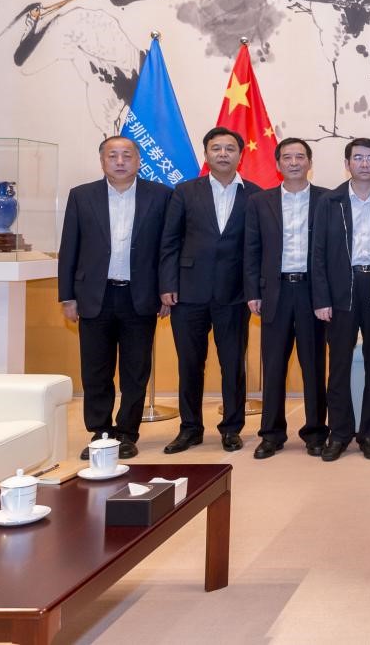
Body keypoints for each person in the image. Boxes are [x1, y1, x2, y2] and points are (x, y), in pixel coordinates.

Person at [57, 136, 171, 460]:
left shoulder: (160, 195)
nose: (120, 161)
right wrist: (67, 296)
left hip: (140, 295)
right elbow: (69, 248)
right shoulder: (82, 196)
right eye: (113, 155)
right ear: (102, 161)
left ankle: (127, 433)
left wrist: (167, 290)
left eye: (127, 155)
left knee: (136, 370)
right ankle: (101, 432)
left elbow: (168, 249)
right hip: (95, 295)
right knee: (96, 370)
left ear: (138, 160)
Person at [159, 127, 262, 454]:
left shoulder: (256, 195)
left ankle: (231, 428)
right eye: (216, 148)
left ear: (240, 155)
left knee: (233, 365)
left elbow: (258, 248)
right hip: (188, 293)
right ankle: (190, 428)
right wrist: (167, 284)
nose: (223, 154)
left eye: (230, 148)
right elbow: (169, 242)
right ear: (206, 154)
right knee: (190, 364)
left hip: (234, 294)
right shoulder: (185, 191)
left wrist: (254, 290)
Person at [243, 138, 328, 459]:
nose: (294, 162)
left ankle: (316, 432)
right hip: (274, 292)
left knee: (314, 366)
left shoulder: (326, 200)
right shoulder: (259, 202)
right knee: (274, 365)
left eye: (300, 157)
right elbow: (251, 250)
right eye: (287, 157)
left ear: (309, 163)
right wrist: (253, 291)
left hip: (312, 293)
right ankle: (271, 433)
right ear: (278, 164)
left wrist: (327, 295)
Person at [311, 138, 370, 462]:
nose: (364, 164)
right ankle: (340, 432)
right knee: (339, 365)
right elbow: (317, 253)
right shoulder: (329, 202)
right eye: (358, 158)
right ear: (347, 164)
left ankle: (369, 433)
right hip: (340, 288)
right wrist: (321, 298)